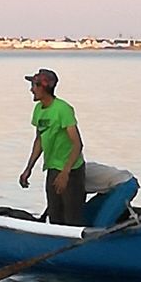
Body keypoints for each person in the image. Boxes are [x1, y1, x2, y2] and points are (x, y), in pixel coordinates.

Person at [19, 69, 86, 225]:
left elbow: (77, 144)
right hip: (53, 168)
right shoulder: (38, 110)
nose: (31, 89)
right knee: (55, 216)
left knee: (72, 218)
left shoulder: (63, 109)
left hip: (71, 170)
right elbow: (39, 140)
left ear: (44, 87)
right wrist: (28, 169)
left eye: (34, 85)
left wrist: (65, 173)